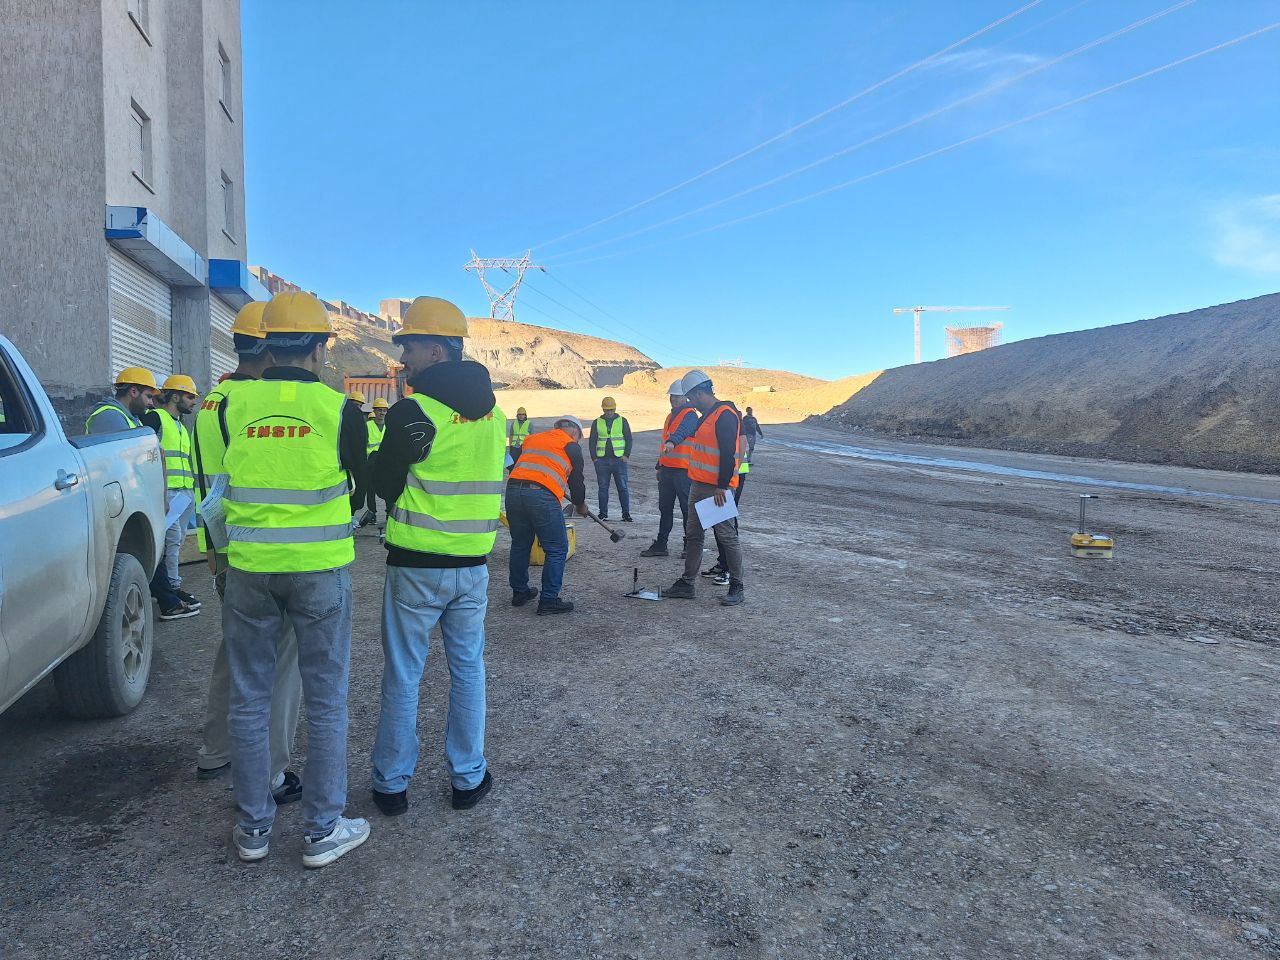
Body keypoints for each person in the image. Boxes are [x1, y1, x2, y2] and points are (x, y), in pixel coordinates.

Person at [219, 291, 370, 869]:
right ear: (319, 347)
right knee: (326, 701)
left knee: (249, 698)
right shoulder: (341, 410)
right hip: (319, 572)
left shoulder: (231, 405)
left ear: (267, 343)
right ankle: (322, 831)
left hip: (250, 571)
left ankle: (253, 828)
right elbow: (360, 485)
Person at [368, 296, 505, 817]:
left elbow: (384, 484)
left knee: (405, 674)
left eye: (410, 346)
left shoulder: (414, 412)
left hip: (416, 567)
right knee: (468, 670)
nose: (403, 357)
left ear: (437, 350)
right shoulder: (494, 416)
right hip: (472, 567)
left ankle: (391, 785)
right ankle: (468, 777)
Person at [192, 300, 302, 805]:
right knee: (278, 660)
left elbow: (208, 486)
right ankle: (272, 771)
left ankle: (215, 749)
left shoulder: (212, 401)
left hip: (224, 546)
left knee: (233, 653)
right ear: (269, 348)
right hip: (261, 550)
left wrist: (214, 553)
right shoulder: (255, 403)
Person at [660, 370, 746, 606]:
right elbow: (689, 433)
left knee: (726, 536)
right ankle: (687, 583)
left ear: (699, 394)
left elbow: (728, 454)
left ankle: (737, 586)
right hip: (698, 484)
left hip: (716, 488)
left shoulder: (724, 414)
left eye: (690, 397)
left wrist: (722, 486)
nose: (690, 402)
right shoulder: (706, 416)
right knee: (694, 535)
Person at [507, 416, 590, 614]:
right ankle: (549, 600)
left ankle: (519, 592)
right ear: (575, 431)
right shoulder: (571, 446)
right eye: (579, 437)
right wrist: (580, 505)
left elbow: (511, 461)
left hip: (513, 490)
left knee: (520, 544)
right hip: (541, 495)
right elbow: (576, 483)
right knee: (557, 548)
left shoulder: (533, 439)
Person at [142, 374, 202, 617]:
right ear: (175, 396)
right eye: (189, 396)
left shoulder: (180, 425)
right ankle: (172, 588)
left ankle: (168, 587)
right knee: (172, 540)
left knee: (176, 540)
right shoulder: (155, 418)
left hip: (184, 493)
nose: (194, 401)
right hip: (168, 492)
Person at [641, 379, 696, 559]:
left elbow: (683, 431)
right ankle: (661, 545)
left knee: (687, 510)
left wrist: (673, 442)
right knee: (665, 508)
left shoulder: (690, 415)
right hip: (667, 470)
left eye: (677, 396)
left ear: (686, 397)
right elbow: (664, 443)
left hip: (683, 471)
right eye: (672, 396)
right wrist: (659, 465)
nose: (673, 399)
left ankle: (689, 546)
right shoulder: (670, 416)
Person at [706, 455, 750, 585]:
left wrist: (726, 480)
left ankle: (729, 570)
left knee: (726, 523)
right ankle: (723, 563)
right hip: (722, 474)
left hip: (732, 475)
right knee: (718, 521)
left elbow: (739, 450)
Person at [589, 396, 633, 522]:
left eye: (611, 410)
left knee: (623, 488)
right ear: (603, 409)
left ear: (615, 409)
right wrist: (594, 458)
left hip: (619, 460)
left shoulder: (622, 421)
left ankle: (626, 514)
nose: (609, 412)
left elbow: (628, 438)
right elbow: (592, 441)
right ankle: (603, 513)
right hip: (602, 460)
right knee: (603, 488)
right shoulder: (597, 422)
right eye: (606, 410)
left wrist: (626, 455)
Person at [85, 366, 157, 434]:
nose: (151, 403)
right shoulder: (111, 416)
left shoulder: (132, 418)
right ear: (133, 392)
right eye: (149, 397)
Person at [360, 397, 389, 526]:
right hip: (370, 461)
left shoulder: (389, 426)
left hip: (385, 461)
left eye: (384, 410)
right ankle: (372, 514)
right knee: (370, 489)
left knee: (387, 488)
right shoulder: (367, 426)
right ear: (374, 411)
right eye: (379, 410)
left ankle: (389, 513)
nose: (382, 413)